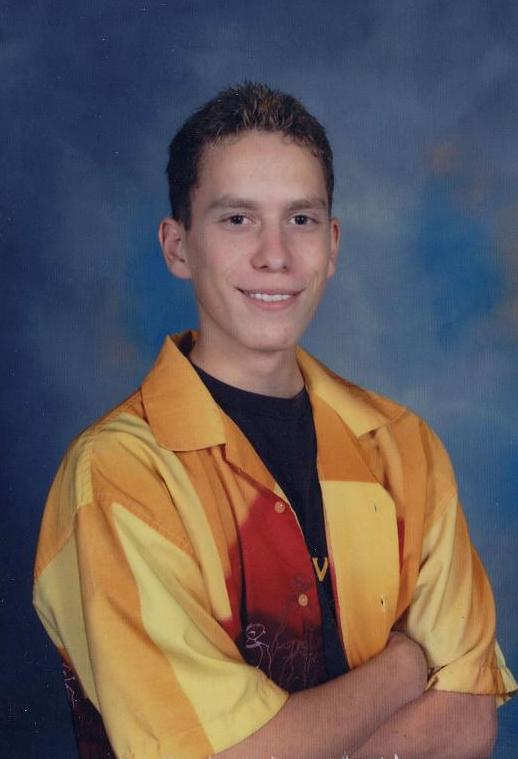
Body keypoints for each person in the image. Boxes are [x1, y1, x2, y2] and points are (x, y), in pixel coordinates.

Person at [33, 82, 517, 759]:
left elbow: (469, 722)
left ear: (333, 243)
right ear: (177, 246)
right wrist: (404, 667)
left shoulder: (405, 447)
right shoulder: (119, 477)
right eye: (237, 219)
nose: (276, 255)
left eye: (301, 219)